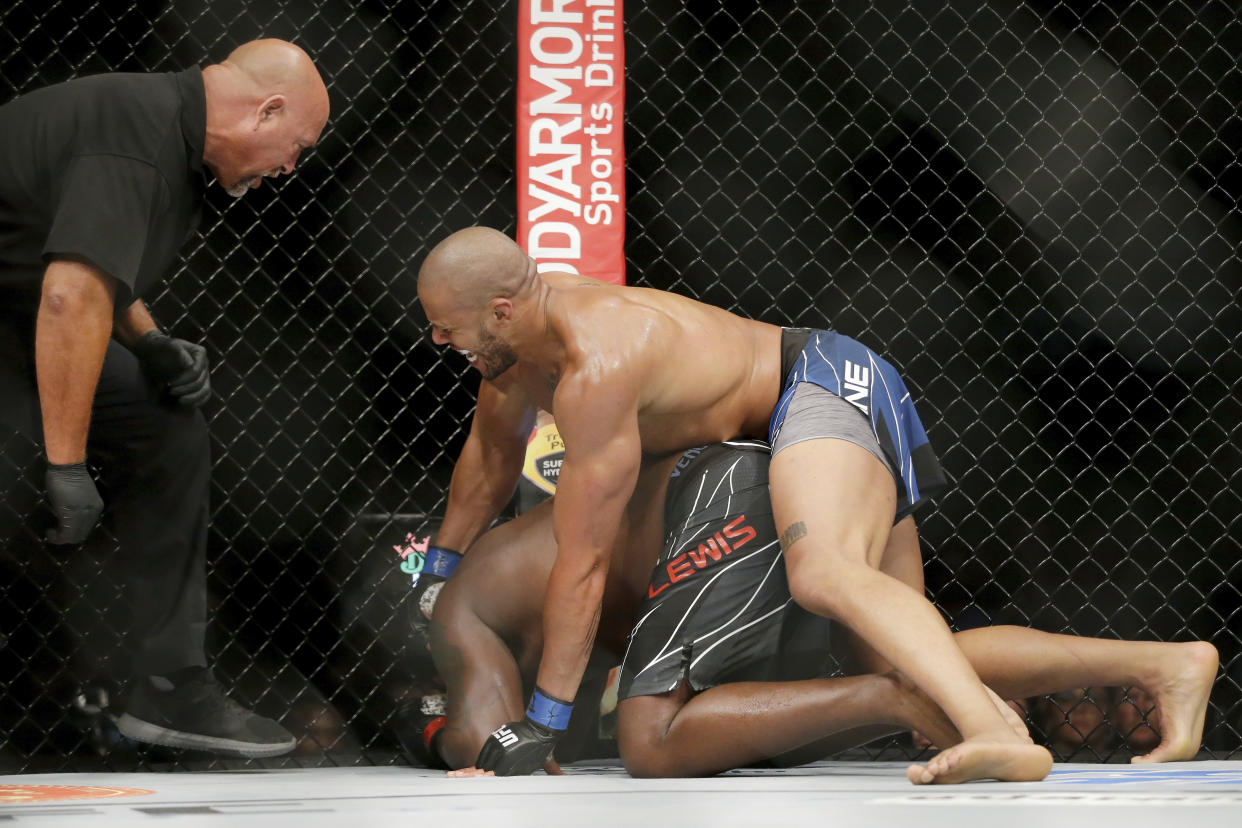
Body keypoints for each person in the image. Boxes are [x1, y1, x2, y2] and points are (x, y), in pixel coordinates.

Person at [415, 226, 1050, 782]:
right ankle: (1145, 667)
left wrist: (543, 721)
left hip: (819, 382)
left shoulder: (594, 365)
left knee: (825, 574)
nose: (439, 340)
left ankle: (991, 732)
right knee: (895, 652)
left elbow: (585, 560)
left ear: (501, 311)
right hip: (803, 410)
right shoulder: (523, 339)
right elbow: (492, 455)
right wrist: (438, 569)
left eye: (447, 325)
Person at [407, 440, 1217, 777]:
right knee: (904, 641)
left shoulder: (463, 608)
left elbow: (493, 741)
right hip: (828, 463)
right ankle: (1159, 660)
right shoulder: (529, 558)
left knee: (651, 742)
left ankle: (898, 701)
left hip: (728, 498)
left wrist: (451, 735)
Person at [0, 39, 330, 757]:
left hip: (20, 311)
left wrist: (147, 340)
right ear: (267, 110)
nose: (289, 168)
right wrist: (66, 463)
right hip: (26, 315)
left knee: (162, 418)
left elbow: (92, 265)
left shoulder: (167, 135)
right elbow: (69, 296)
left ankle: (171, 686)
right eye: (295, 145)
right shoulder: (138, 130)